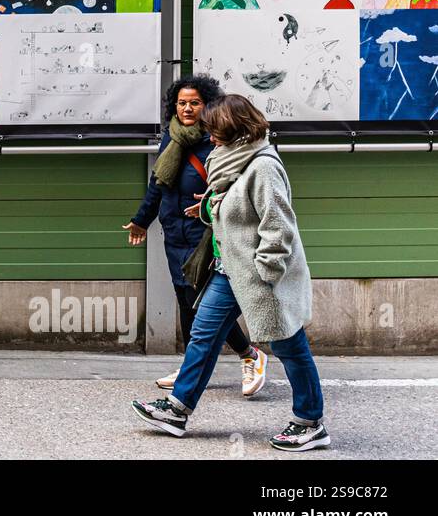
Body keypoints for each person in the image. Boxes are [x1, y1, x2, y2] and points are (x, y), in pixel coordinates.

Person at [132, 94, 329, 452]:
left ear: (236, 128)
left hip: (260, 276)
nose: (211, 136)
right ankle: (177, 409)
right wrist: (208, 207)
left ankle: (310, 421)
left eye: (216, 130)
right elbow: (235, 203)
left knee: (289, 346)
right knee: (203, 338)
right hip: (227, 271)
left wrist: (267, 271)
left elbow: (278, 225)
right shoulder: (231, 159)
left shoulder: (264, 165)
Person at [123, 75, 267, 395]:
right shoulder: (171, 138)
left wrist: (211, 204)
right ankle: (191, 367)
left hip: (205, 234)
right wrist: (141, 221)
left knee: (205, 305)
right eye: (181, 103)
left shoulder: (217, 139)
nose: (187, 109)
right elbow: (158, 184)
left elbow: (234, 186)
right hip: (174, 230)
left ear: (207, 105)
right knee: (186, 302)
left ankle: (250, 355)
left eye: (195, 103)